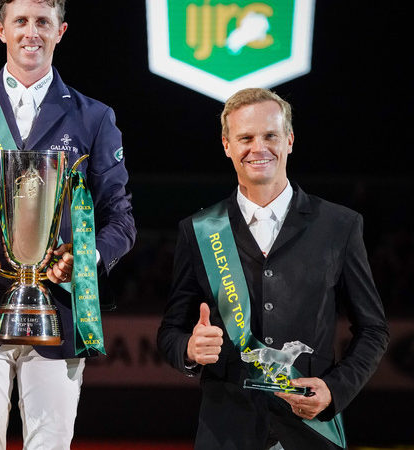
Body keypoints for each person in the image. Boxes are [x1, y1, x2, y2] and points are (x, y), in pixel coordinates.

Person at [0, 0, 135, 447]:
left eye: (42, 22)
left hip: (60, 312)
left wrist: (84, 259)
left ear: (60, 30)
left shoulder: (94, 117)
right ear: (0, 29)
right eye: (21, 21)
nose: (31, 32)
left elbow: (122, 219)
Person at [157, 88, 389, 449]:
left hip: (312, 429)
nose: (258, 147)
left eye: (270, 135)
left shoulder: (339, 225)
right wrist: (189, 348)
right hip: (226, 431)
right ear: (227, 145)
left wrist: (335, 390)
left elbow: (373, 329)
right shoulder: (199, 229)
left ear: (290, 140)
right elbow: (170, 331)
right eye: (245, 138)